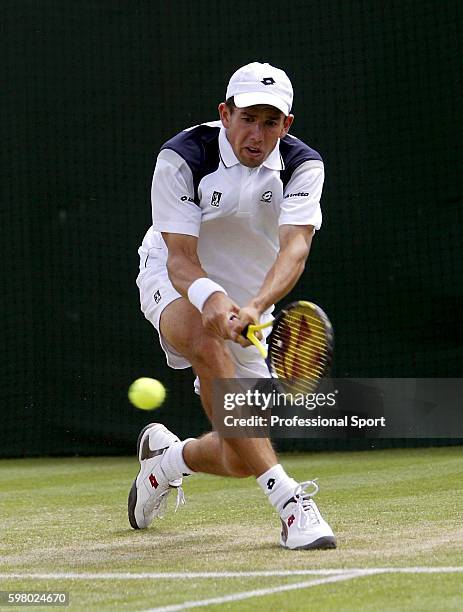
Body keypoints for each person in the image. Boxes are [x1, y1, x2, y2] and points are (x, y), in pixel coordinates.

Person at [128, 62, 336, 550]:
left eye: (270, 122)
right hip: (174, 279)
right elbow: (180, 258)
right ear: (225, 114)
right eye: (247, 118)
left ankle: (168, 461)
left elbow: (295, 249)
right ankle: (290, 503)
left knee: (242, 455)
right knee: (204, 335)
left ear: (286, 125)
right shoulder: (183, 157)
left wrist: (255, 306)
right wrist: (212, 299)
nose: (256, 133)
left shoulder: (305, 166)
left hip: (248, 302)